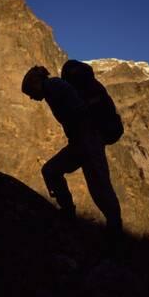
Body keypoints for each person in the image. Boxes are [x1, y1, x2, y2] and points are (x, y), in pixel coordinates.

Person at [21, 65, 123, 245]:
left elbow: (78, 111)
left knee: (97, 184)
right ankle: (102, 223)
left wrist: (82, 135)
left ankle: (113, 229)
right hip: (83, 142)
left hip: (87, 140)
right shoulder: (54, 88)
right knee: (60, 173)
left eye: (29, 91)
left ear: (35, 83)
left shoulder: (53, 87)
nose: (31, 97)